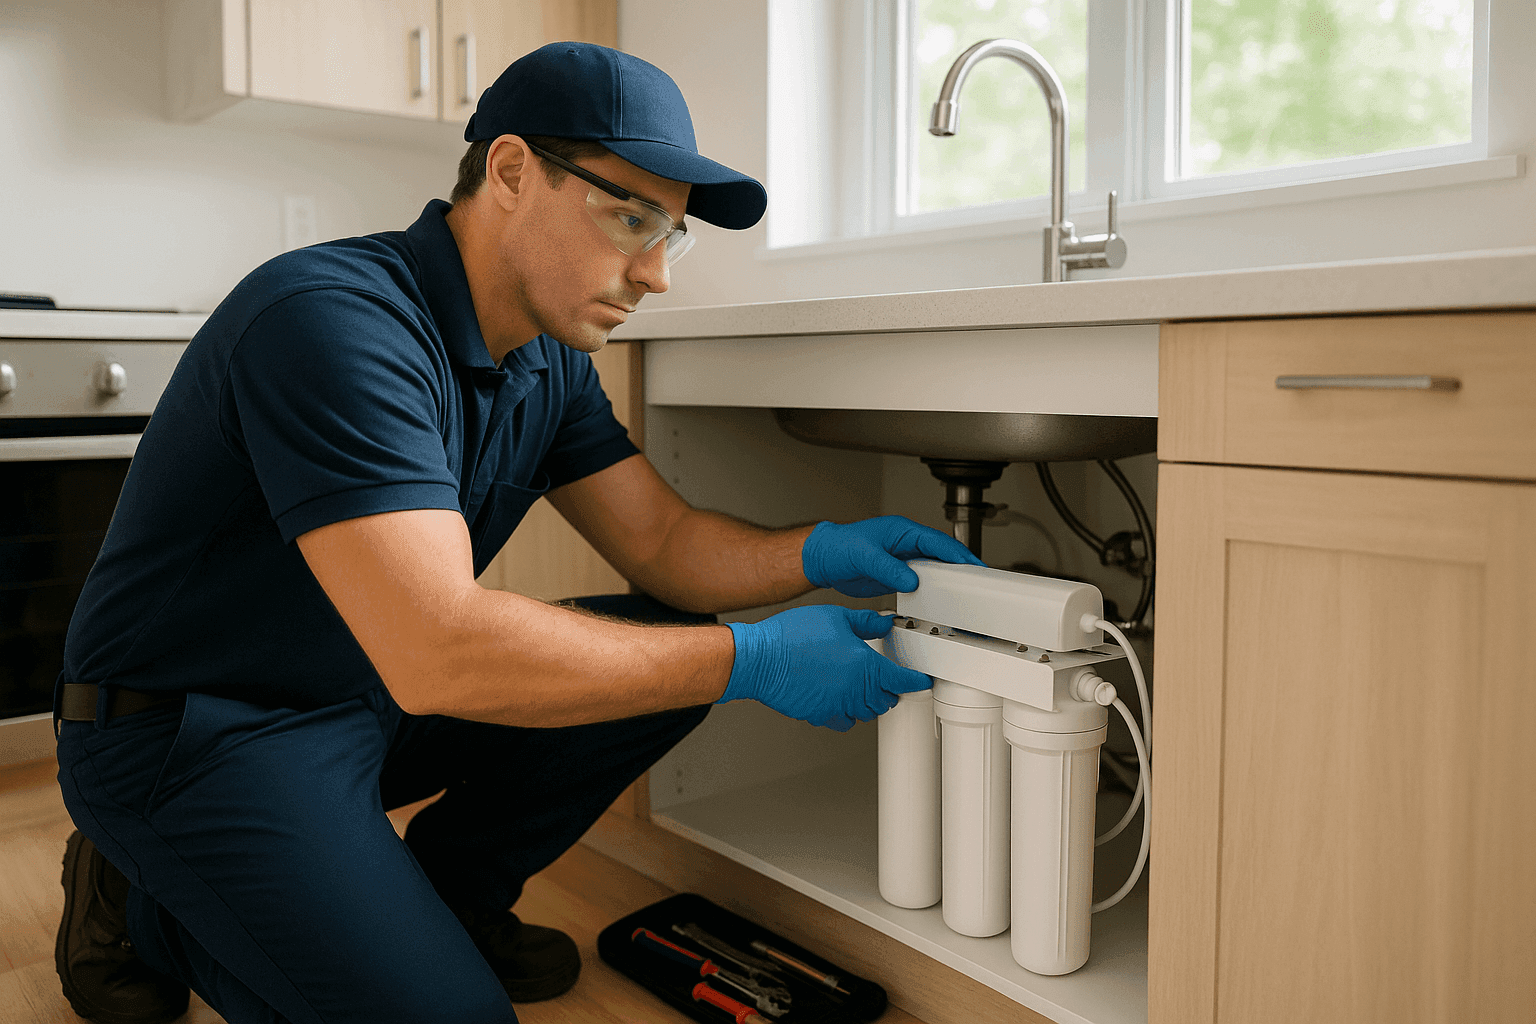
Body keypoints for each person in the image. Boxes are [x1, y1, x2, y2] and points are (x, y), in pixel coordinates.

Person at [51, 42, 980, 1024]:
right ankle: (139, 891)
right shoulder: (334, 323)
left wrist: (819, 549)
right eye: (631, 217)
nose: (656, 273)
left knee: (663, 630)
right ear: (510, 172)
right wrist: (747, 659)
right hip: (191, 729)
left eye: (673, 234)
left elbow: (664, 544)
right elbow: (443, 653)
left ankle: (447, 903)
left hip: (355, 690)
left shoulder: (546, 362)